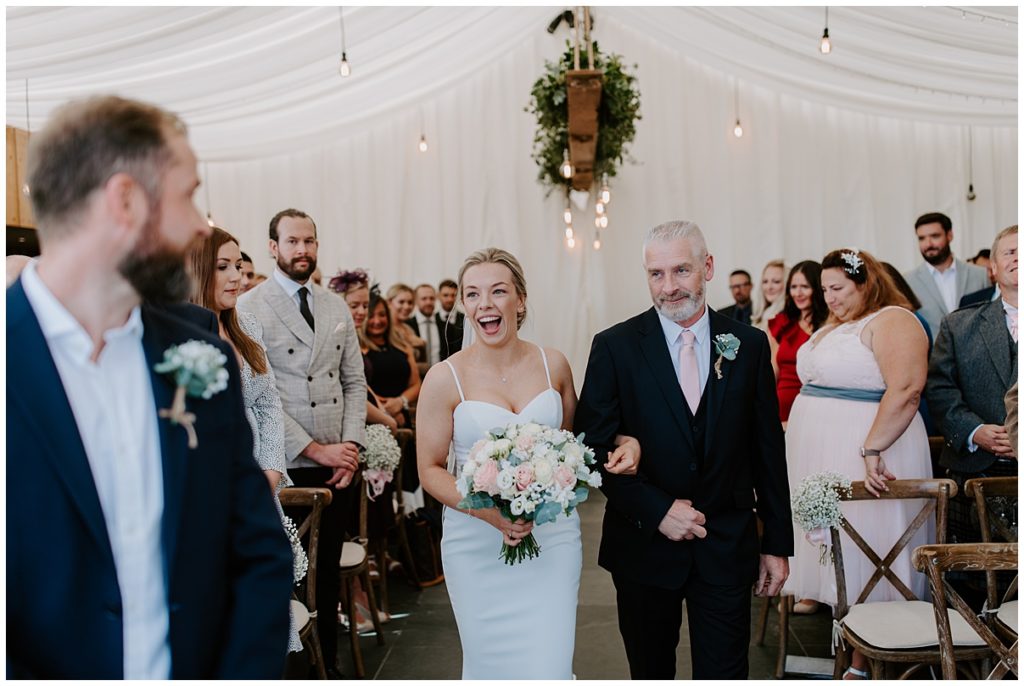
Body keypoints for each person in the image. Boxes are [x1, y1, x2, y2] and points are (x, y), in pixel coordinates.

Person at [7, 95, 292, 678]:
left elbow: (258, 554)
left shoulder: (201, 357)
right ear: (125, 200)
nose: (200, 226)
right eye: (188, 195)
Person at [574, 221, 792, 679]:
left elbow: (767, 450)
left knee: (726, 672)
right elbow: (590, 451)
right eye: (656, 274)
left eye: (681, 271)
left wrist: (775, 543)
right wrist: (657, 510)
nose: (669, 287)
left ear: (707, 267)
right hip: (643, 547)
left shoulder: (748, 346)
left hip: (726, 543)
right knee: (650, 671)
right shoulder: (614, 347)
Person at [416, 247, 641, 679]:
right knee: (487, 666)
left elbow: (578, 443)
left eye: (498, 291)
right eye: (473, 294)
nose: (486, 304)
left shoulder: (552, 364)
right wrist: (490, 514)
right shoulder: (444, 378)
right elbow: (429, 469)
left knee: (550, 663)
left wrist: (624, 440)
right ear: (464, 305)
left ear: (520, 300)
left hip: (552, 536)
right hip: (475, 541)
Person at [784, 248, 932, 678]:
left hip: (866, 449)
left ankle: (866, 659)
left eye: (838, 288)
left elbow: (906, 390)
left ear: (866, 283)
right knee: (835, 546)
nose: (828, 297)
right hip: (819, 451)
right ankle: (845, 638)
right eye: (824, 289)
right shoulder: (837, 325)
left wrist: (872, 449)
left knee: (869, 541)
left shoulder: (893, 320)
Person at [237, 208, 367, 678]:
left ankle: (327, 666)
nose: (303, 250)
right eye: (292, 241)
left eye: (309, 241)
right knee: (288, 576)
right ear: (273, 247)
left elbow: (354, 381)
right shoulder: (250, 306)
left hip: (339, 465)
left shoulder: (333, 305)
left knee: (327, 576)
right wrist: (315, 449)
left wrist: (349, 446)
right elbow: (262, 396)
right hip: (290, 464)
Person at [188, 225, 303, 653]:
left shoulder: (245, 325)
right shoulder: (175, 332)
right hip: (209, 487)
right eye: (223, 267)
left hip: (258, 483)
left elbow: (268, 404)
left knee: (260, 616)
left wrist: (271, 470)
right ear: (198, 271)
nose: (237, 276)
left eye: (238, 265)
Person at [926, 225, 1017, 544]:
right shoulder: (958, 324)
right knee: (975, 583)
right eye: (1010, 252)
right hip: (976, 468)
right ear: (992, 268)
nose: (1018, 258)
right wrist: (974, 431)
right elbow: (939, 389)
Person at [903, 212, 989, 335]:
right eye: (921, 238)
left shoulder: (979, 274)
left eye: (935, 236)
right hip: (932, 353)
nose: (928, 244)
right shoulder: (908, 281)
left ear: (950, 235)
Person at [768, 261, 827, 425]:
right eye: (794, 287)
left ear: (817, 288)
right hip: (781, 409)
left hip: (815, 407)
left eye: (805, 287)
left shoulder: (829, 325)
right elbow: (772, 370)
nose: (798, 293)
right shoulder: (782, 323)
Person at [387, 282, 427, 363]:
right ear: (389, 302)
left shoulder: (409, 329)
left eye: (410, 302)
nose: (406, 307)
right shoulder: (386, 329)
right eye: (401, 302)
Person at [752, 259, 786, 330]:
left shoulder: (786, 317)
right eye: (765, 281)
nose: (769, 287)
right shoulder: (763, 313)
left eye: (776, 282)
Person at [437, 277, 465, 354]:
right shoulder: (432, 319)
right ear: (438, 296)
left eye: (453, 295)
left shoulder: (465, 319)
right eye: (445, 295)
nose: (450, 299)